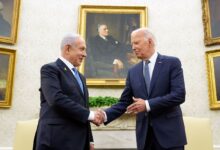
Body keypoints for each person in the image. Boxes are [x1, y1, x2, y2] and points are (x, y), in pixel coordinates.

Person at [100, 28, 187, 150]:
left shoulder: (172, 63)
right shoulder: (132, 72)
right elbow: (125, 102)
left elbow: (178, 95)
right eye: (132, 44)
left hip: (170, 137)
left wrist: (147, 105)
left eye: (136, 43)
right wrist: (104, 114)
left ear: (150, 42)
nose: (133, 47)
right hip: (145, 139)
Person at [33, 33, 104, 150]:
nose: (85, 54)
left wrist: (90, 139)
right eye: (82, 49)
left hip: (79, 141)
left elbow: (83, 107)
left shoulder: (81, 77)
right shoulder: (50, 69)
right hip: (56, 140)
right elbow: (56, 99)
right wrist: (91, 115)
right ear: (68, 49)